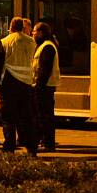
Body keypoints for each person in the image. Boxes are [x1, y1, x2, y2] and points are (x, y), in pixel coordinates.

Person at [0, 16, 38, 156]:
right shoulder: (31, 41)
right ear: (22, 27)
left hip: (9, 84)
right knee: (26, 117)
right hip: (26, 85)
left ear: (11, 27)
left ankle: (9, 147)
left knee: (8, 118)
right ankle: (32, 148)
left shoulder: (5, 41)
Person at [32, 22, 60, 152]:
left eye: (34, 31)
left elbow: (45, 70)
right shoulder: (43, 45)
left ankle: (48, 143)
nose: (33, 34)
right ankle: (44, 141)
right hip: (44, 86)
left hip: (44, 87)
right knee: (42, 115)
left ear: (41, 33)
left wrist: (39, 86)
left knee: (45, 116)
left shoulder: (47, 47)